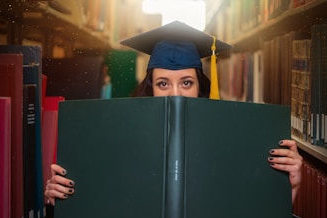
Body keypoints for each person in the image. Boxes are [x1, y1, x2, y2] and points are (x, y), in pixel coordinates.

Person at [45, 21, 303, 207]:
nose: (175, 94)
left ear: (201, 87)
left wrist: (288, 188)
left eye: (187, 82)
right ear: (151, 88)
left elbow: (250, 216)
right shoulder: (118, 138)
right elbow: (100, 204)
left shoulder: (230, 140)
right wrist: (62, 199)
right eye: (163, 83)